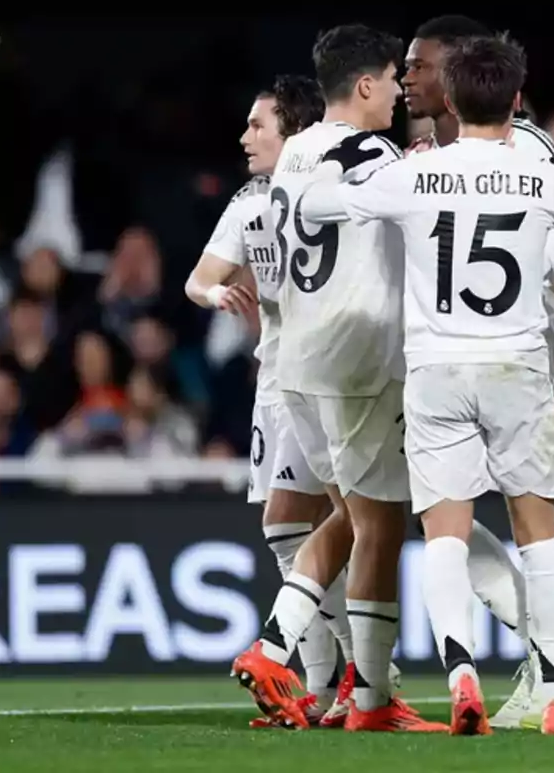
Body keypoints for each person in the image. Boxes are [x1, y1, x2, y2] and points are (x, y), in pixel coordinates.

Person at [300, 33, 554, 735]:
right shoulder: (541, 175)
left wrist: (361, 180)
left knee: (446, 534)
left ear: (449, 100)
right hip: (517, 366)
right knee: (538, 533)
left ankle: (460, 675)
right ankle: (551, 693)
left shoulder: (417, 172)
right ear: (516, 101)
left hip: (436, 370)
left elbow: (318, 207)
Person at [229, 24, 444, 733]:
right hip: (357, 359)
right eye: (390, 80)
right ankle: (361, 694)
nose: (397, 93)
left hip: (298, 363)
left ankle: (315, 668)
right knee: (378, 527)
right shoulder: (370, 153)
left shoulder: (293, 156)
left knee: (354, 519)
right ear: (363, 85)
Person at [400, 13, 554, 727]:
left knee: (496, 526)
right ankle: (545, 671)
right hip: (499, 354)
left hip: (495, 344)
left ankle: (536, 672)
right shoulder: (443, 153)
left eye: (419, 66)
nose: (409, 78)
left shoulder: (518, 147)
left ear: (454, 76)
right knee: (521, 529)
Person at [183, 76, 360, 727]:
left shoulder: (342, 190)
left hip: (334, 377)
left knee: (355, 520)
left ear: (295, 133)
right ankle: (325, 681)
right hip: (280, 381)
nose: (244, 136)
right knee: (291, 526)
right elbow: (199, 281)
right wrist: (217, 296)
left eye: (258, 125)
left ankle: (364, 677)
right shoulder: (253, 200)